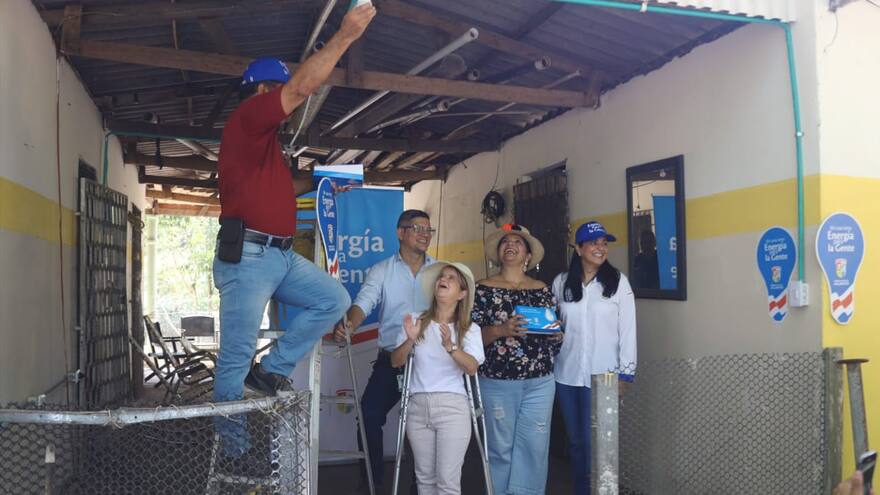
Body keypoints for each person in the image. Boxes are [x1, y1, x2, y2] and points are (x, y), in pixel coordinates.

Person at [211, 4, 376, 455]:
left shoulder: (263, 147)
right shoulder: (248, 120)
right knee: (234, 356)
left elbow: (290, 184)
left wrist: (328, 181)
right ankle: (235, 453)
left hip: (278, 256)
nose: (288, 97)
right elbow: (303, 86)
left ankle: (273, 368)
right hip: (248, 255)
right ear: (264, 90)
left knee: (334, 298)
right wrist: (344, 35)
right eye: (280, 90)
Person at [332, 209, 436, 491]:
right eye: (418, 229)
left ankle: (422, 487)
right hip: (392, 361)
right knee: (368, 418)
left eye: (429, 230)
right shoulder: (382, 270)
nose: (425, 234)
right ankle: (371, 486)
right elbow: (363, 304)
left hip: (430, 363)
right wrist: (349, 324)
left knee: (423, 427)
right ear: (400, 233)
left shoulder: (440, 271)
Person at [471, 223, 562, 495]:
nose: (511, 245)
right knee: (501, 448)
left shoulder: (542, 289)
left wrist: (557, 336)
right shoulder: (483, 289)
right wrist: (501, 330)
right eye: (505, 243)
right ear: (498, 253)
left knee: (534, 446)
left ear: (528, 255)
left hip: (540, 381)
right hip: (498, 380)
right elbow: (470, 337)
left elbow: (552, 329)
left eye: (518, 243)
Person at [551, 221, 636, 495]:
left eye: (604, 243)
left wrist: (626, 375)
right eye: (594, 243)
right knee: (576, 442)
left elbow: (628, 330)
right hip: (567, 374)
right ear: (578, 248)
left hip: (606, 375)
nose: (601, 248)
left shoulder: (618, 282)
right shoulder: (561, 282)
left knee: (601, 444)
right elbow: (554, 325)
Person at [390, 261, 485, 495]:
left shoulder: (469, 329)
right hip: (418, 405)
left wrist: (451, 347)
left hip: (452, 407)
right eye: (442, 276)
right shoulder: (416, 321)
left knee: (447, 482)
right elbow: (396, 361)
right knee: (424, 480)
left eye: (452, 278)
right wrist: (411, 339)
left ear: (462, 294)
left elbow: (472, 367)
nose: (444, 279)